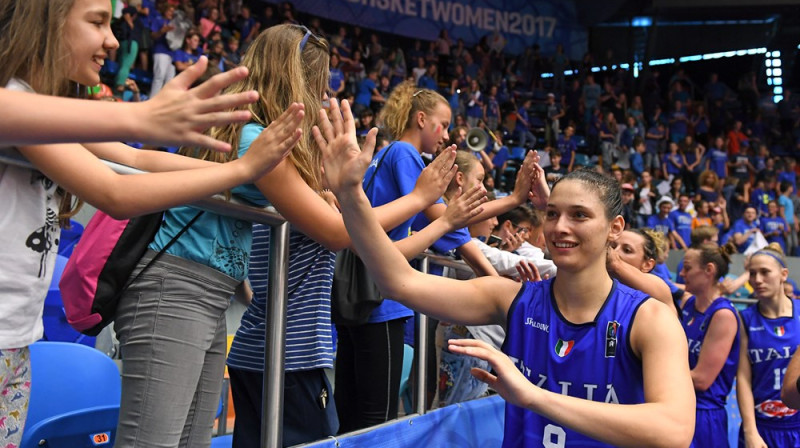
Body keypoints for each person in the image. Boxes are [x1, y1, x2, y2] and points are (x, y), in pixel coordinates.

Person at [0, 2, 303, 446]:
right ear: (44, 20)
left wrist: (234, 164)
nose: (114, 41)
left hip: (16, 341)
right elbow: (115, 192)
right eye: (97, 22)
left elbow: (136, 158)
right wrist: (238, 170)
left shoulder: (46, 110)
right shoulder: (15, 101)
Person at [318, 118, 695, 447]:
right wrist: (352, 197)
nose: (560, 227)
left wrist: (535, 397)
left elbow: (673, 429)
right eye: (552, 214)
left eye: (579, 215)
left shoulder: (650, 319)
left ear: (615, 228)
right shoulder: (512, 297)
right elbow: (399, 282)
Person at [334, 79, 540, 433]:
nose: (446, 134)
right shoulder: (405, 154)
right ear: (420, 119)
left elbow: (453, 226)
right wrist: (512, 200)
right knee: (375, 418)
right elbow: (443, 216)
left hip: (365, 291)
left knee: (352, 410)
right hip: (381, 298)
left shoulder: (388, 154)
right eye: (442, 124)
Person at [0, 63, 265, 152]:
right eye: (96, 22)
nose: (113, 41)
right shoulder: (16, 93)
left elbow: (128, 166)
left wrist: (242, 171)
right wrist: (145, 116)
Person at [677, 242, 741, 447]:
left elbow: (702, 380)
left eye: (687, 268)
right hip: (680, 404)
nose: (681, 273)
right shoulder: (688, 304)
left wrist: (650, 372)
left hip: (704, 415)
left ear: (709, 270)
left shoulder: (722, 314)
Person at [737, 244, 800, 447]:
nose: (757, 280)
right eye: (752, 273)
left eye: (765, 272)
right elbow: (744, 379)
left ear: (783, 274)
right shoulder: (744, 319)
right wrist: (750, 431)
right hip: (763, 427)